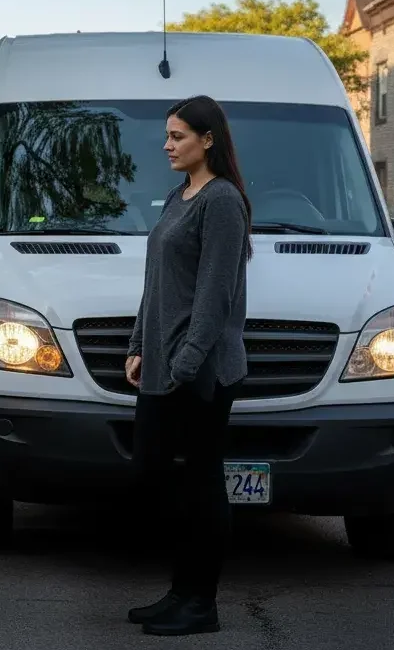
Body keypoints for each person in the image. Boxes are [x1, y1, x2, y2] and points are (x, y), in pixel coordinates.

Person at [123, 95, 252, 637]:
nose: (167, 145)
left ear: (208, 139)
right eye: (168, 135)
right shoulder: (180, 196)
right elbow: (157, 282)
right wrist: (138, 344)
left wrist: (186, 362)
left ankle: (201, 603)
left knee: (201, 481)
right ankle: (181, 591)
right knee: (154, 473)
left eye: (177, 136)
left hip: (201, 370)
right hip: (164, 362)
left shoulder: (221, 200)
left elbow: (215, 295)